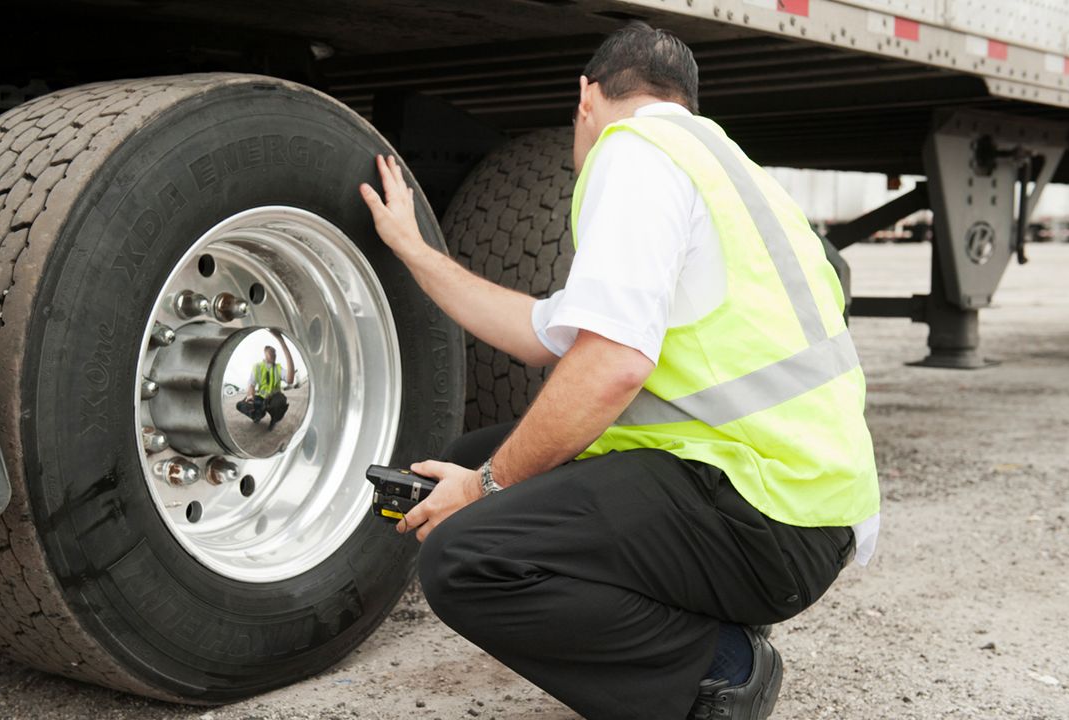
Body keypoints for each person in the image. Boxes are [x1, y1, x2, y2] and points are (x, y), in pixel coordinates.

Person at [358, 21, 879, 720]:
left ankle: (721, 668)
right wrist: (416, 252)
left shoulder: (633, 153)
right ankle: (693, 618)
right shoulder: (725, 167)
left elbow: (611, 367)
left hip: (771, 515)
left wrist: (486, 490)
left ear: (586, 97)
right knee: (464, 457)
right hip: (797, 495)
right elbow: (540, 334)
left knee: (463, 554)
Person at [247, 332, 295, 430]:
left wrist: (282, 343)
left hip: (274, 397)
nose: (274, 355)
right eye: (271, 352)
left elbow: (290, 380)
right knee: (242, 405)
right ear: (265, 353)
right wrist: (250, 396)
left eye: (275, 353)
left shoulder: (278, 368)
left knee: (281, 402)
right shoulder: (257, 367)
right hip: (262, 397)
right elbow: (251, 384)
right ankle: (258, 414)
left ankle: (274, 419)